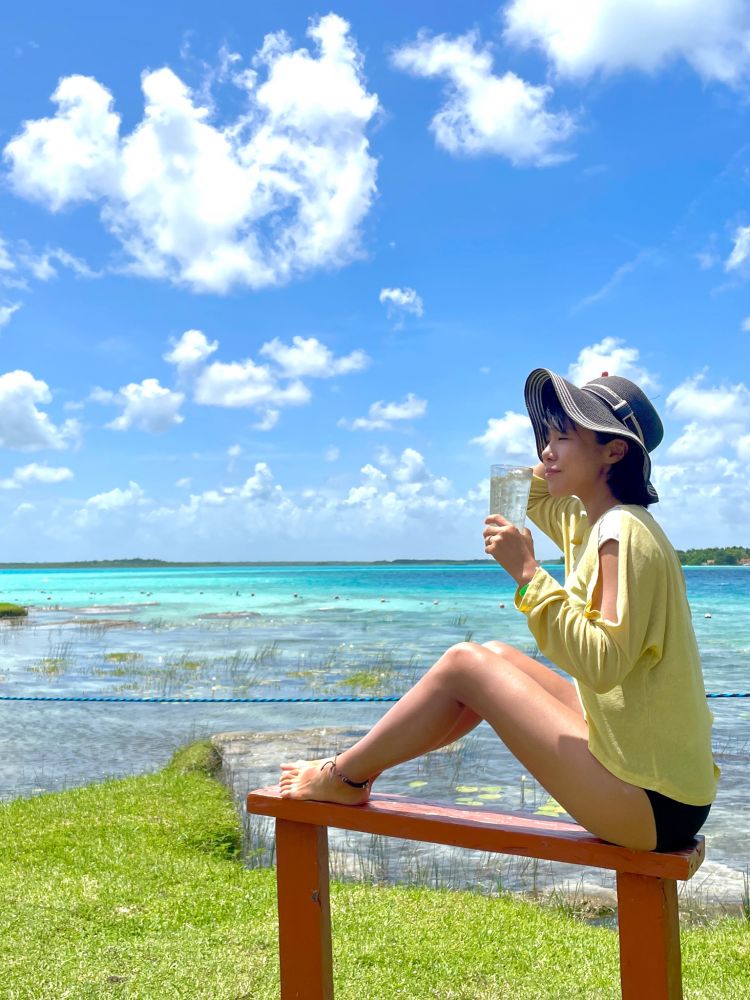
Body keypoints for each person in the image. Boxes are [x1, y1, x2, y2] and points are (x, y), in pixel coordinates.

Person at [280, 368, 718, 852]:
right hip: (653, 775)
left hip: (653, 804)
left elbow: (603, 663)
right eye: (546, 436)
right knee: (494, 654)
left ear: (615, 451)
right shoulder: (588, 519)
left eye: (563, 438)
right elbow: (520, 488)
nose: (546, 451)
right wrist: (580, 414)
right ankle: (360, 773)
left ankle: (343, 776)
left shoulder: (622, 531)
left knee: (465, 664)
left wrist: (528, 573)